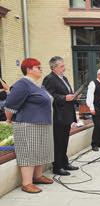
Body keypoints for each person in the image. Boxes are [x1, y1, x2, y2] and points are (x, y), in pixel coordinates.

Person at [4, 58, 54, 193]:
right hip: (27, 124)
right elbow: (10, 105)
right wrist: (9, 119)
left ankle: (37, 176)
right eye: (38, 67)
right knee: (29, 152)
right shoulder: (23, 84)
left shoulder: (38, 85)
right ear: (28, 69)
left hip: (42, 123)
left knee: (40, 150)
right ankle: (27, 183)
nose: (41, 69)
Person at [42, 56, 78, 176]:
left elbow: (67, 93)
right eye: (62, 66)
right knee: (58, 141)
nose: (64, 68)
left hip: (66, 114)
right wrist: (64, 98)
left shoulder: (64, 78)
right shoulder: (49, 79)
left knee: (64, 141)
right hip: (58, 115)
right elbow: (48, 96)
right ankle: (57, 166)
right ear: (54, 67)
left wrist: (73, 96)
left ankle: (64, 163)